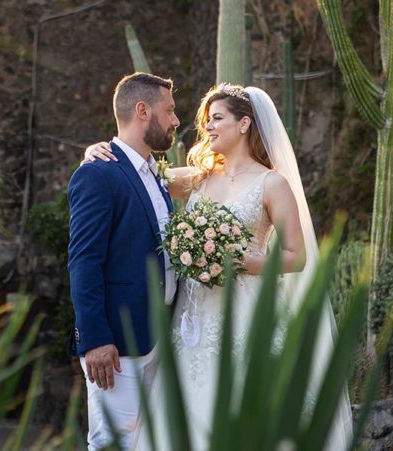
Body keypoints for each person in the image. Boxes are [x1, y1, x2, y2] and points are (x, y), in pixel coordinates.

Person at [84, 84, 353, 450]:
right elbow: (139, 174)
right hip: (192, 320)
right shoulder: (199, 176)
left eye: (217, 119)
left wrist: (242, 260)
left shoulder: (272, 183)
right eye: (206, 120)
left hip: (247, 311)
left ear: (244, 124)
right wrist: (98, 151)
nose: (207, 128)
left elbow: (297, 255)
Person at [68, 72, 180, 450]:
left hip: (159, 336)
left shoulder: (155, 176)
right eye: (170, 111)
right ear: (143, 110)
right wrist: (95, 338)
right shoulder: (98, 174)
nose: (176, 122)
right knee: (110, 444)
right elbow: (84, 260)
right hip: (116, 346)